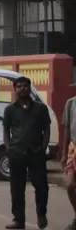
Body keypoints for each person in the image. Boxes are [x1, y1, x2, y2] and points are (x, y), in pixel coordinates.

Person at [3, 76, 51, 230]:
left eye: (25, 86)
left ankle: (41, 214)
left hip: (36, 152)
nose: (22, 88)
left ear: (29, 88)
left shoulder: (40, 108)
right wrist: (8, 148)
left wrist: (43, 148)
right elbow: (6, 129)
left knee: (41, 186)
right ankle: (18, 220)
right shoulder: (10, 109)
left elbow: (47, 128)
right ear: (15, 89)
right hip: (16, 153)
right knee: (17, 188)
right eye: (19, 86)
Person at [60, 94, 76, 230]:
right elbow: (67, 129)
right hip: (73, 150)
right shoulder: (71, 103)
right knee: (70, 186)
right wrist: (64, 154)